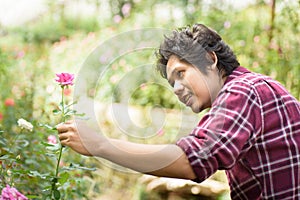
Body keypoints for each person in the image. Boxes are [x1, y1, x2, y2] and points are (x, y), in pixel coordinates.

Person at [57, 23, 300, 199]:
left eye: (181, 73)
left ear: (210, 58)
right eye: (172, 82)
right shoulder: (250, 90)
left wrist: (100, 145)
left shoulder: (243, 90)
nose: (176, 88)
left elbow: (192, 161)